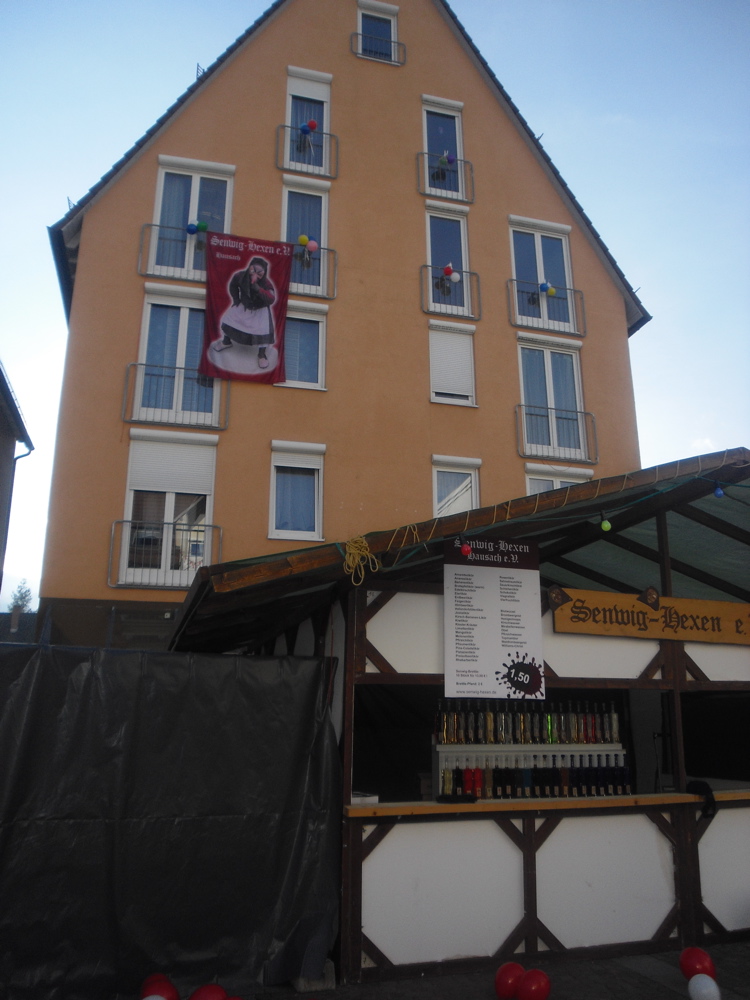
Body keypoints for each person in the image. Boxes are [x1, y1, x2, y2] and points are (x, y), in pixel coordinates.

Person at [212, 256, 276, 368]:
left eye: (259, 273)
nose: (255, 274)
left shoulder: (267, 284)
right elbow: (233, 286)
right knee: (229, 321)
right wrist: (236, 299)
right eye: (253, 270)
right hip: (244, 305)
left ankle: (261, 354)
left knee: (263, 331)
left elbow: (271, 298)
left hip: (259, 311)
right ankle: (226, 341)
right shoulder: (240, 276)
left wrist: (258, 289)